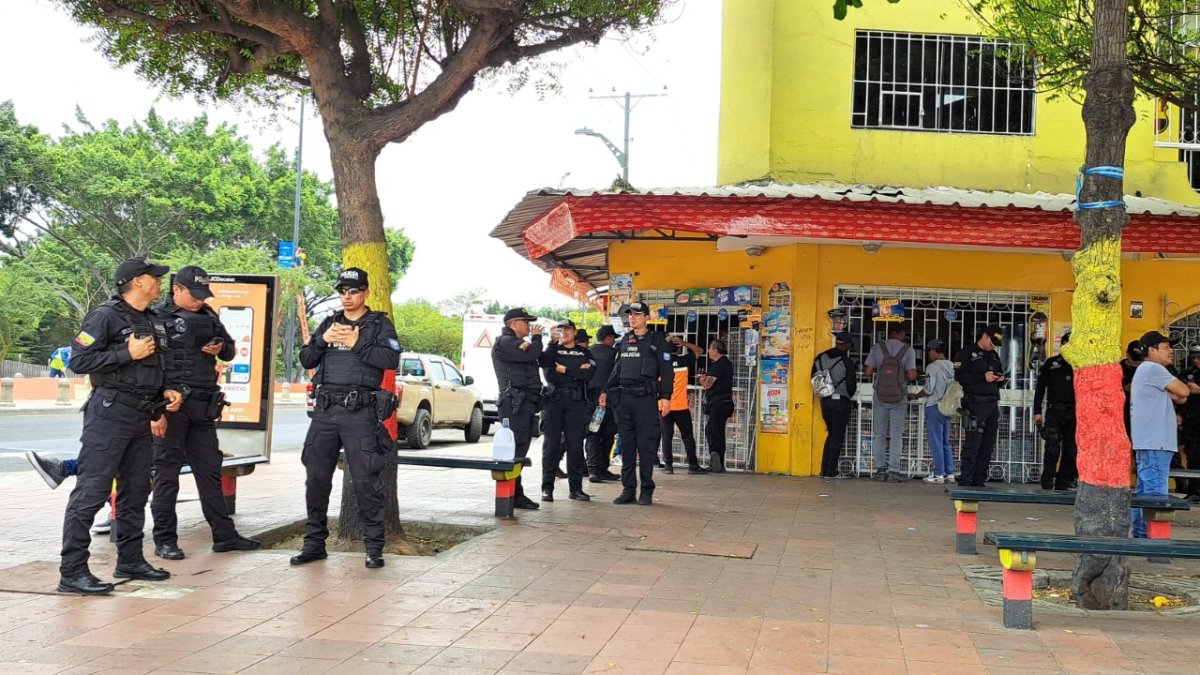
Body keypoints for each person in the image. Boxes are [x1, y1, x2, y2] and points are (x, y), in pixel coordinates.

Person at [58, 257, 183, 595]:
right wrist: (126, 353)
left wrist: (166, 392)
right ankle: (72, 571)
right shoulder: (105, 316)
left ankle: (130, 559)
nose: (160, 283)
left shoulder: (153, 320)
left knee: (135, 491)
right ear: (137, 281)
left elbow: (155, 368)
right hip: (109, 413)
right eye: (155, 278)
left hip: (141, 415)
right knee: (92, 491)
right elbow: (79, 361)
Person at [149, 266, 261, 560]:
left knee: (209, 473)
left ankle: (224, 536)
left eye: (203, 294)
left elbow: (231, 350)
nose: (200, 300)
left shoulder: (209, 315)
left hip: (203, 406)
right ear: (177, 290)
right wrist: (154, 410)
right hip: (172, 407)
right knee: (166, 475)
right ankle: (165, 540)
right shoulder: (157, 318)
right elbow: (148, 367)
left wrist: (221, 347)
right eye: (194, 294)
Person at [294, 268, 401, 569]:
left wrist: (358, 343)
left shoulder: (379, 324)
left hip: (360, 412)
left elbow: (390, 360)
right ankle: (314, 544)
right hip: (325, 411)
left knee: (366, 481)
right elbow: (306, 359)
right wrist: (322, 340)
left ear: (365, 292)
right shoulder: (329, 323)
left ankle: (374, 547)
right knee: (316, 479)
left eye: (353, 291)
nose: (347, 296)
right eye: (342, 290)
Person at [599, 302, 673, 504]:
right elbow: (617, 368)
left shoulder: (657, 341)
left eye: (637, 315)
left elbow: (667, 371)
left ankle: (646, 490)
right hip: (624, 399)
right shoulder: (625, 340)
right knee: (627, 446)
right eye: (630, 315)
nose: (632, 318)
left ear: (647, 317)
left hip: (645, 400)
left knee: (646, 445)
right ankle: (628, 489)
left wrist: (666, 397)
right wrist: (606, 389)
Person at [1130, 331, 1189, 538]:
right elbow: (1184, 392)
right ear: (1151, 351)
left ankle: (1140, 536)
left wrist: (1177, 393)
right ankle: (1154, 543)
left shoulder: (1146, 370)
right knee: (1156, 496)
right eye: (1166, 347)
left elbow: (1179, 397)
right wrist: (1179, 391)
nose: (1171, 351)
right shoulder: (1154, 369)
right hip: (1156, 443)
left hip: (1150, 442)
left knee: (1144, 493)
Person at [492, 307, 544, 511]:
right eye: (526, 322)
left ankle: (515, 493)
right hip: (514, 403)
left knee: (520, 448)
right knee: (515, 449)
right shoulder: (506, 343)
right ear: (513, 324)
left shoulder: (515, 343)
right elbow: (531, 353)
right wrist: (538, 339)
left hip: (524, 403)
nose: (530, 326)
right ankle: (513, 495)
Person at [538, 319, 594, 502]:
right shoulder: (552, 351)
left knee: (575, 447)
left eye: (568, 329)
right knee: (551, 447)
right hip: (554, 402)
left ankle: (576, 489)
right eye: (561, 330)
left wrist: (565, 369)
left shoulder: (584, 352)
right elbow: (549, 373)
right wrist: (575, 371)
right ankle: (547, 488)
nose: (565, 333)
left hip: (576, 403)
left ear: (575, 332)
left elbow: (588, 374)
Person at [863, 324, 918, 483]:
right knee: (896, 433)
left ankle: (880, 470)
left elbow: (867, 372)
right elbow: (912, 375)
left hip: (880, 395)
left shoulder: (877, 348)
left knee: (879, 434)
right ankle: (894, 470)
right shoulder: (908, 350)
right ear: (901, 333)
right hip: (899, 396)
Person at [954, 324, 1007, 487]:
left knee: (988, 444)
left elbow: (997, 374)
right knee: (973, 443)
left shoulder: (994, 356)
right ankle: (966, 479)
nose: (992, 346)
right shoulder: (967, 353)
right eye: (991, 342)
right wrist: (982, 377)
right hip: (974, 404)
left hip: (991, 404)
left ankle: (979, 479)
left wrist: (999, 379)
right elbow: (959, 376)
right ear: (984, 336)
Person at [1032, 330, 1077, 491]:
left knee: (1071, 450)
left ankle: (1063, 482)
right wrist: (1037, 411)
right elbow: (1040, 389)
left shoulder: (1080, 366)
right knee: (1052, 449)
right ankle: (1047, 481)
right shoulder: (1051, 364)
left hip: (1075, 412)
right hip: (1055, 411)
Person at [812, 331, 857, 478]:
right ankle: (830, 471)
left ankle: (824, 470)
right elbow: (851, 387)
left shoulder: (820, 358)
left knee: (831, 435)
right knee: (836, 437)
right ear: (848, 345)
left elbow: (813, 379)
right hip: (840, 402)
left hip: (825, 401)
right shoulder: (847, 362)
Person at [910, 339, 955, 484]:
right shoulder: (952, 365)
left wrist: (916, 395)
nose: (928, 355)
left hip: (934, 406)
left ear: (933, 351)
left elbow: (929, 389)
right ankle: (950, 473)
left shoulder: (932, 367)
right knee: (945, 442)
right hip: (948, 407)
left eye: (929, 351)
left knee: (936, 442)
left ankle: (938, 474)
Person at [661, 334, 706, 475]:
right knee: (687, 436)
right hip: (680, 406)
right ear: (678, 349)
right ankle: (693, 465)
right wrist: (684, 343)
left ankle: (668, 466)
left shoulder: (660, 362)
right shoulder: (684, 360)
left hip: (664, 405)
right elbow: (700, 351)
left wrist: (664, 343)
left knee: (666, 436)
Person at [585, 325, 621, 483]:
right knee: (608, 434)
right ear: (607, 338)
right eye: (613, 338)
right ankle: (600, 468)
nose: (613, 341)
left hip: (592, 400)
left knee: (593, 433)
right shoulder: (614, 354)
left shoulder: (588, 352)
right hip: (610, 400)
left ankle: (593, 469)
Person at [699, 338, 734, 473]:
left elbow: (708, 384)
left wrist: (702, 380)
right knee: (716, 431)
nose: (708, 351)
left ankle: (716, 461)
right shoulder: (727, 363)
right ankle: (719, 462)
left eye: (710, 348)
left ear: (715, 350)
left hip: (719, 403)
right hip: (725, 403)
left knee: (713, 431)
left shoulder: (719, 364)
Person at [1178, 345, 1200, 500]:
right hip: (1192, 420)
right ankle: (1194, 491)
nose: (1196, 361)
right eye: (1193, 358)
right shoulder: (1187, 373)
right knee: (1192, 455)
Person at [1120, 340, 1145, 439]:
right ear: (1127, 354)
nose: (1137, 362)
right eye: (1134, 358)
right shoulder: (1118, 368)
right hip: (1123, 411)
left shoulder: (1146, 367)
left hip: (1142, 411)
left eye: (1139, 359)